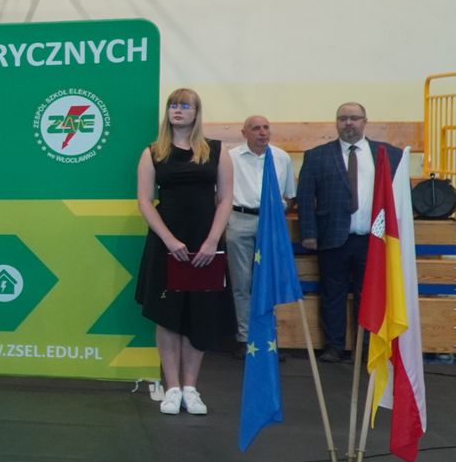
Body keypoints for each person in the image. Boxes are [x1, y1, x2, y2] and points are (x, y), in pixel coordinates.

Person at [133, 88, 236, 415]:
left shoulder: (217, 151)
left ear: (196, 112)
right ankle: (172, 387)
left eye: (184, 106)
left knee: (200, 312)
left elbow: (226, 199)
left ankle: (191, 388)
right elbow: (144, 201)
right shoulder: (153, 152)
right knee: (167, 314)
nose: (177, 110)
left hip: (206, 243)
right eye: (173, 105)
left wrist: (212, 241)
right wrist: (168, 240)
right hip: (166, 243)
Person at [297, 102, 402, 364]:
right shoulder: (317, 156)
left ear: (365, 121)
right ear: (336, 122)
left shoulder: (389, 154)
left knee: (370, 295)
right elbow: (305, 197)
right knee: (332, 295)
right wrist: (309, 233)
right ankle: (334, 346)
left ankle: (365, 348)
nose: (348, 123)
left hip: (374, 239)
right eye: (343, 118)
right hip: (332, 237)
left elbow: (400, 198)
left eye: (354, 118)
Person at [225, 115, 297, 358]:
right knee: (242, 283)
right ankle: (245, 338)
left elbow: (290, 195)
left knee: (269, 281)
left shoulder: (281, 157)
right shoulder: (231, 158)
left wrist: (278, 213)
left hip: (270, 222)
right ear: (244, 133)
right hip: (240, 219)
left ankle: (268, 339)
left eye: (266, 127)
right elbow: (219, 193)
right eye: (256, 128)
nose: (262, 132)